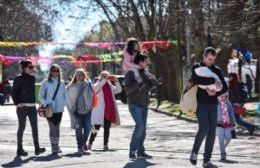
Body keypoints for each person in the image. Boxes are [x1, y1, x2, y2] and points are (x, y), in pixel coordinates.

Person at [189, 47, 228, 168]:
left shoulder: (217, 70)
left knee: (212, 132)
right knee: (204, 128)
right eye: (209, 59)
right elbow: (195, 80)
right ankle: (194, 153)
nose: (211, 61)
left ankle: (207, 161)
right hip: (201, 104)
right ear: (204, 57)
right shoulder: (197, 67)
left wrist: (215, 93)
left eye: (213, 59)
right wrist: (210, 82)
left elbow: (224, 87)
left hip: (213, 104)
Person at [12, 60, 45, 156]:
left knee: (35, 128)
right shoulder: (18, 78)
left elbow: (31, 93)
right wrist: (17, 104)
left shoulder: (32, 78)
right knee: (21, 127)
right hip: (22, 107)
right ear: (24, 67)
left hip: (32, 107)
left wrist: (37, 104)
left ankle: (37, 148)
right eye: (30, 67)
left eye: (32, 67)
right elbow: (14, 92)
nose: (32, 68)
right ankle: (19, 149)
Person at [125, 53, 155, 160]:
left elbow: (148, 88)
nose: (147, 63)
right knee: (140, 127)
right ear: (140, 62)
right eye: (145, 61)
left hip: (144, 104)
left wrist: (151, 80)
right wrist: (140, 81)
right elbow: (128, 90)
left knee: (143, 129)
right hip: (134, 104)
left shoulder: (144, 72)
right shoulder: (131, 73)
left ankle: (141, 152)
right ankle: (132, 151)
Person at [88, 71, 122, 151]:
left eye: (106, 75)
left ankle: (105, 144)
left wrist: (116, 81)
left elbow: (119, 90)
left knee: (107, 128)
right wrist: (104, 80)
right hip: (100, 111)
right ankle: (90, 143)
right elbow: (95, 89)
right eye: (103, 75)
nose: (105, 77)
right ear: (100, 76)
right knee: (95, 128)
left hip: (108, 110)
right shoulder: (98, 84)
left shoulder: (109, 85)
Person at [38, 64, 67, 155]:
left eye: (57, 70)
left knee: (57, 128)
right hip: (49, 109)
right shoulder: (46, 82)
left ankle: (57, 145)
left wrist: (63, 104)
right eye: (53, 70)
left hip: (59, 109)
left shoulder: (62, 82)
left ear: (59, 72)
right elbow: (40, 96)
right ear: (50, 72)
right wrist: (46, 103)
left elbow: (64, 95)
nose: (55, 72)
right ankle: (53, 147)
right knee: (52, 128)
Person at [66, 68, 94, 155]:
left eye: (80, 75)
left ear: (83, 76)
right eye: (77, 75)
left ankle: (83, 142)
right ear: (75, 76)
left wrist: (91, 105)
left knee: (88, 128)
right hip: (76, 111)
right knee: (78, 129)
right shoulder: (71, 86)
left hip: (88, 110)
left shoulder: (88, 84)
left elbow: (93, 95)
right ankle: (79, 146)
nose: (78, 76)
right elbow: (68, 98)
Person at [217, 92, 235, 161]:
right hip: (218, 123)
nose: (222, 96)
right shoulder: (216, 102)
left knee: (229, 138)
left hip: (227, 123)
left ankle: (222, 148)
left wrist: (233, 123)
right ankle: (223, 153)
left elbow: (231, 113)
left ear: (226, 96)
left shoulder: (228, 103)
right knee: (221, 139)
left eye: (224, 95)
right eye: (221, 95)